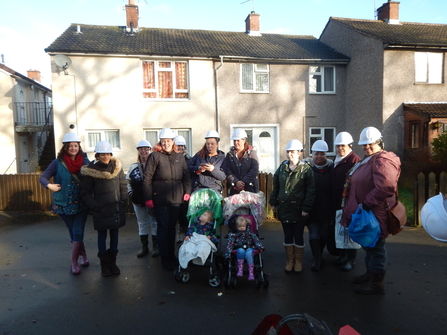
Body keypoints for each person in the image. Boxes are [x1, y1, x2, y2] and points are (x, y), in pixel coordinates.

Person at [341, 127, 401, 294]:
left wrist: (367, 203)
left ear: (379, 143)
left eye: (370, 144)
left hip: (374, 213)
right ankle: (370, 274)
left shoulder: (383, 161)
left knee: (376, 248)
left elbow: (386, 187)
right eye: (364, 145)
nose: (367, 147)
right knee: (369, 246)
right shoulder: (369, 160)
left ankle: (376, 283)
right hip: (367, 213)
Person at [39, 132, 90, 275]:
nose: (73, 148)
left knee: (78, 231)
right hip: (63, 204)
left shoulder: (86, 162)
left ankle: (73, 263)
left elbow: (95, 176)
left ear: (79, 147)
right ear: (65, 147)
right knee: (73, 234)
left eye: (76, 145)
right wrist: (50, 186)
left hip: (81, 203)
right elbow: (43, 178)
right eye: (70, 146)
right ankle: (84, 256)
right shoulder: (57, 163)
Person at [143, 128, 191, 271]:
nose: (166, 144)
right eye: (163, 142)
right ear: (160, 142)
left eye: (168, 141)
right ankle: (165, 256)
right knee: (163, 228)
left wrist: (187, 192)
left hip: (176, 198)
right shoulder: (154, 156)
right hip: (160, 198)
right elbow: (147, 179)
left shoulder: (179, 157)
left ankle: (172, 255)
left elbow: (186, 176)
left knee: (172, 228)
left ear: (173, 142)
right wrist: (148, 198)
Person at [80, 140, 127, 277]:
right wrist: (94, 206)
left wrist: (124, 199)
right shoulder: (91, 171)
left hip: (116, 208)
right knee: (102, 236)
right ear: (97, 155)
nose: (105, 156)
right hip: (101, 210)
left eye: (107, 153)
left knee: (114, 235)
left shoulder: (117, 167)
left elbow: (123, 185)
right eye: (102, 154)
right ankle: (104, 265)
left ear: (111, 154)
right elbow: (85, 192)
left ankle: (113, 263)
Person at [269, 140, 315, 273]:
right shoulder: (282, 168)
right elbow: (275, 186)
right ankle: (290, 261)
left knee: (298, 235)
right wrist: (273, 202)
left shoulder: (306, 169)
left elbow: (311, 190)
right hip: (284, 208)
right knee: (288, 235)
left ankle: (298, 261)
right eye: (288, 152)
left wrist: (306, 208)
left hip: (299, 210)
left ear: (300, 153)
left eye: (293, 152)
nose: (290, 154)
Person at [332, 132, 361, 271]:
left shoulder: (354, 160)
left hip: (349, 201)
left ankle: (351, 260)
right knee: (340, 229)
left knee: (350, 230)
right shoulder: (336, 159)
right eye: (338, 146)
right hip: (338, 200)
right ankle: (342, 256)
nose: (340, 149)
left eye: (342, 146)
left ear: (349, 145)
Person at [126, 140, 159, 258]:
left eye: (146, 149)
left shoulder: (155, 166)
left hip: (152, 200)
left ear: (150, 150)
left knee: (154, 222)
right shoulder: (133, 167)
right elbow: (128, 181)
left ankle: (156, 246)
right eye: (141, 149)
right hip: (138, 200)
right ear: (138, 151)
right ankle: (144, 247)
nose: (144, 151)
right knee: (142, 223)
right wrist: (130, 193)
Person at [306, 140, 334, 272]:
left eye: (322, 154)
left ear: (326, 155)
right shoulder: (307, 168)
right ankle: (317, 259)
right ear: (312, 154)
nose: (319, 156)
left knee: (324, 234)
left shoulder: (332, 168)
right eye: (316, 153)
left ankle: (320, 253)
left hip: (327, 208)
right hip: (312, 208)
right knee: (314, 233)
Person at [225, 215, 264, 280]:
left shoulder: (249, 232)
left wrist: (260, 246)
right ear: (235, 227)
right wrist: (228, 254)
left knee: (249, 253)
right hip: (238, 248)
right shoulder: (233, 234)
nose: (242, 228)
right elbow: (230, 244)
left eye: (243, 226)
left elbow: (255, 239)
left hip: (249, 247)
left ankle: (251, 272)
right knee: (241, 251)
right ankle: (240, 269)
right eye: (239, 226)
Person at [225, 128, 259, 195]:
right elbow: (227, 170)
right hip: (234, 189)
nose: (235, 143)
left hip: (250, 189)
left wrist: (242, 182)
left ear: (244, 140)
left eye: (238, 140)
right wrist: (236, 181)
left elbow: (254, 170)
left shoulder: (252, 153)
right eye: (234, 141)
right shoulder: (229, 155)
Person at [174, 135, 192, 239]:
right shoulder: (170, 158)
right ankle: (178, 236)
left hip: (186, 190)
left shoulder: (189, 159)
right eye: (178, 146)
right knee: (175, 216)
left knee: (185, 215)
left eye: (182, 146)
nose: (180, 148)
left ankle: (186, 235)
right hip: (174, 190)